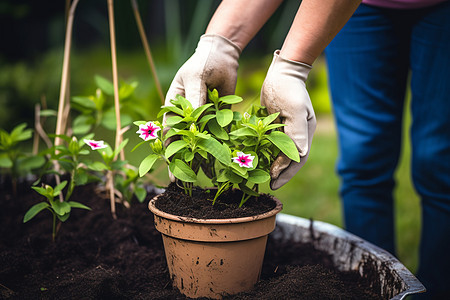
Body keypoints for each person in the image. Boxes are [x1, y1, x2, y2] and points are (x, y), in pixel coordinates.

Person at [164, 0, 450, 298]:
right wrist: (219, 42)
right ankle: (374, 290)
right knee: (363, 158)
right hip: (363, 8)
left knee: (439, 158)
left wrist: (292, 65)